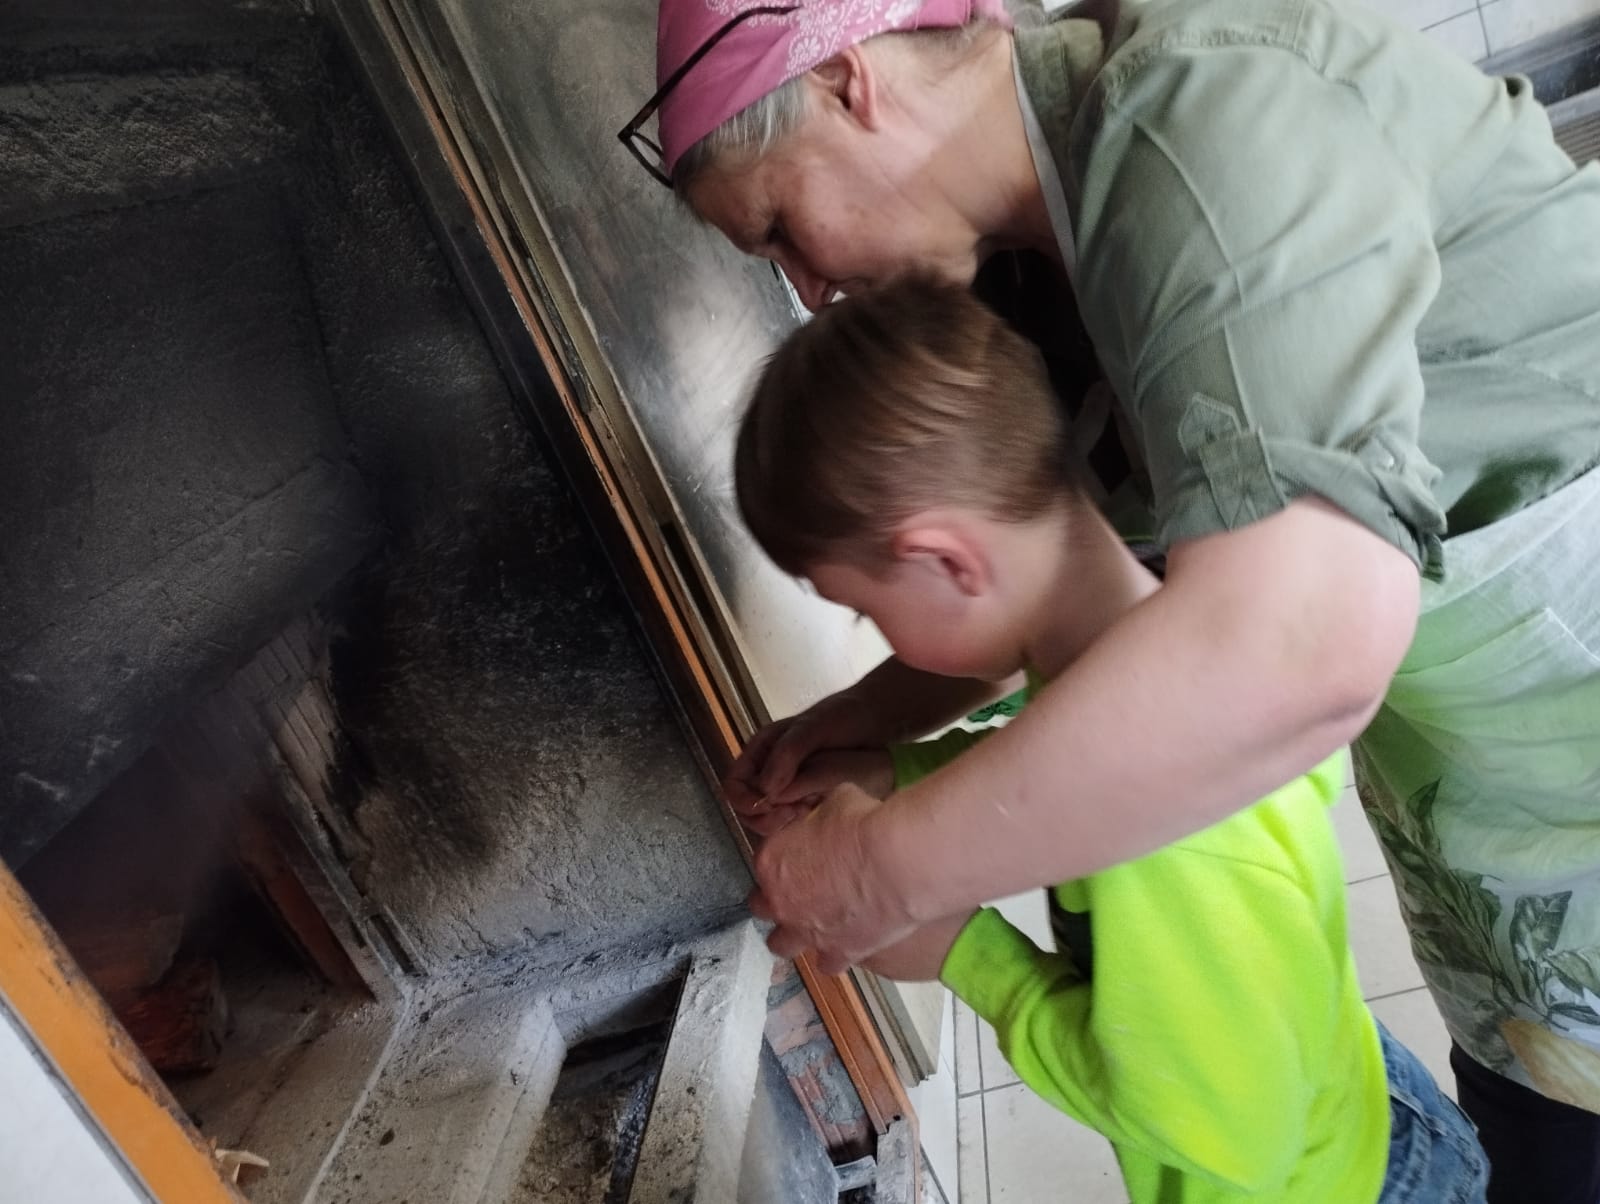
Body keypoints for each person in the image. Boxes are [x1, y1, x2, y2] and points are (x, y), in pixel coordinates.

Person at [623, 1, 1600, 1198]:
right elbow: (1073, 562)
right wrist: (875, 721)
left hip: (1567, 733)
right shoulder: (1034, 267)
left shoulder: (1193, 121)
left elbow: (1292, 648)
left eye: (780, 225)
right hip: (1492, 810)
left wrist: (892, 882)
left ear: (843, 81)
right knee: (1541, 1112)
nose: (810, 286)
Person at [730, 277, 1489, 1203]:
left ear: (945, 561)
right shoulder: (1128, 661)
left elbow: (1231, 1133)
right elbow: (1047, 786)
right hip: (1348, 1113)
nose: (880, 641)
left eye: (866, 612)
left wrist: (968, 956)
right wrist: (897, 769)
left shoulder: (1174, 833)